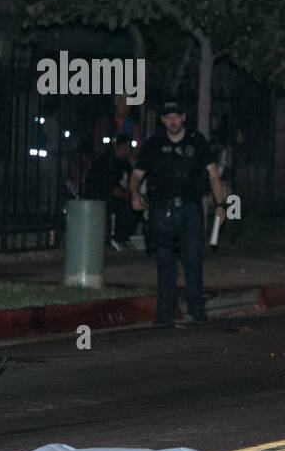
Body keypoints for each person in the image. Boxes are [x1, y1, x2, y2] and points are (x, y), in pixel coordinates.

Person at [130, 101, 228, 327]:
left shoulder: (197, 141)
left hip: (190, 208)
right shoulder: (154, 144)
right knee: (165, 261)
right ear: (163, 120)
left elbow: (213, 175)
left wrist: (221, 205)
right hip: (160, 210)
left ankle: (196, 308)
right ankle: (164, 313)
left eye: (176, 116)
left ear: (183, 117)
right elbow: (136, 174)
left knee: (193, 257)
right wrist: (134, 193)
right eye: (168, 117)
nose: (172, 121)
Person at [84, 136, 138, 251]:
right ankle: (114, 238)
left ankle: (124, 238)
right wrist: (115, 191)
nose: (128, 150)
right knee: (118, 209)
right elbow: (100, 183)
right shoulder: (106, 162)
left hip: (121, 197)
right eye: (126, 147)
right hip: (104, 197)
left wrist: (129, 192)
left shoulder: (126, 165)